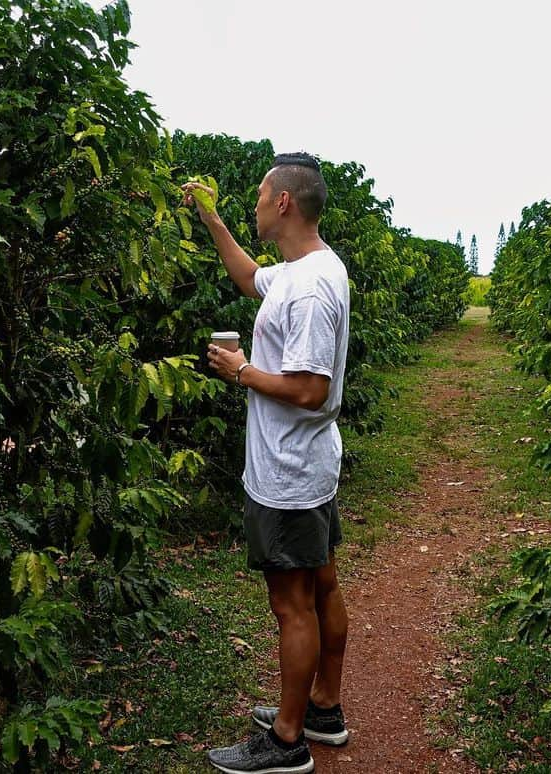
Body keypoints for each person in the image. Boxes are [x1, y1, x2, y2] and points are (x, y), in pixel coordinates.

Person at [181, 153, 350, 774]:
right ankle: (324, 709)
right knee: (321, 584)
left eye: (258, 195)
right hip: (312, 465)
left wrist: (241, 372)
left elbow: (308, 387)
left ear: (283, 203)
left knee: (292, 603)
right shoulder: (306, 268)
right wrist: (213, 220)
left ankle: (286, 741)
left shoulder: (309, 290)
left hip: (289, 471)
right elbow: (250, 277)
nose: (254, 205)